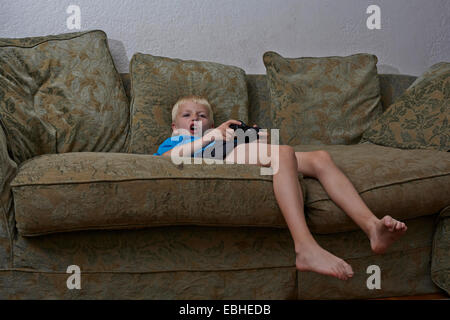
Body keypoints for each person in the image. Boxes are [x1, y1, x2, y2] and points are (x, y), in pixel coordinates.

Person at [154, 95, 408, 281]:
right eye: (187, 115)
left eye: (202, 115)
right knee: (283, 154)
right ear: (174, 126)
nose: (195, 119)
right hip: (212, 156)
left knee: (320, 158)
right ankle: (305, 247)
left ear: (211, 122)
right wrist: (208, 137)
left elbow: (248, 144)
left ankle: (372, 226)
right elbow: (170, 158)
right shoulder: (177, 139)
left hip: (228, 149)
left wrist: (255, 137)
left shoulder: (219, 134)